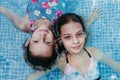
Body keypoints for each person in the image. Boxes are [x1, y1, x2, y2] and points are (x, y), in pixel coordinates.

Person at [51, 13, 120, 80]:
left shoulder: (94, 53)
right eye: (68, 37)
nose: (76, 41)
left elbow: (115, 66)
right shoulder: (61, 61)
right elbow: (41, 70)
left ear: (84, 34)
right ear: (60, 40)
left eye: (79, 34)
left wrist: (90, 20)